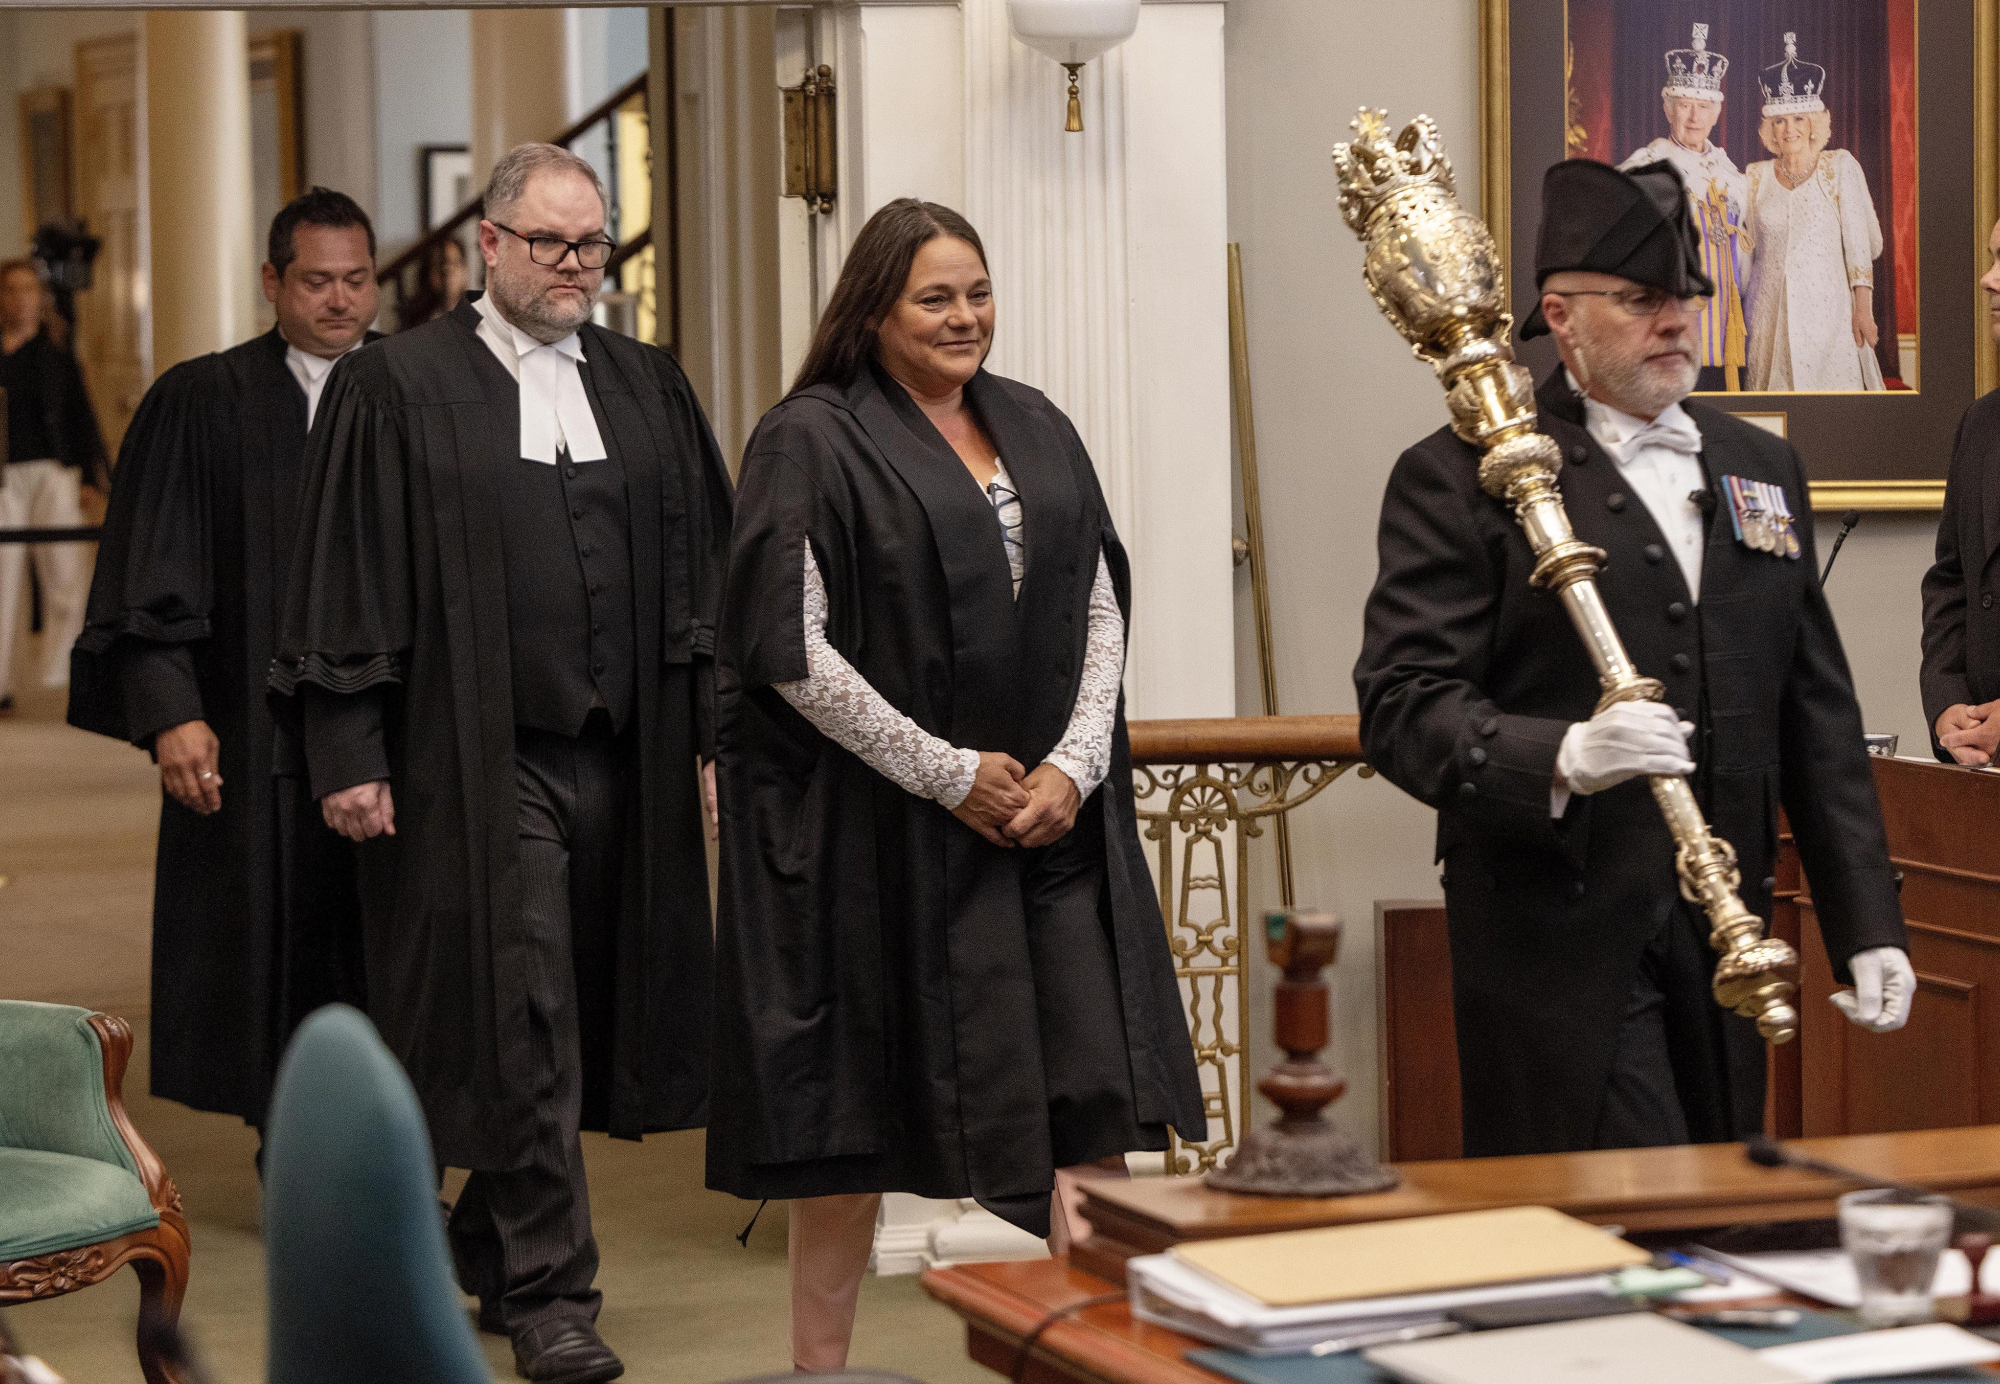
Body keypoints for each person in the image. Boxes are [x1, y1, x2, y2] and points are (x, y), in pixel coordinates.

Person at [706, 198, 1205, 1374]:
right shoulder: (811, 437)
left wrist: (1075, 768)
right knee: (852, 1129)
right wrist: (944, 774)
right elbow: (791, 648)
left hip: (1043, 837)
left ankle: (1096, 1361)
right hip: (879, 844)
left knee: (1089, 1104)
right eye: (934, 297)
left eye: (976, 291)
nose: (963, 316)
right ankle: (816, 1372)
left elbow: (1095, 602)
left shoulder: (1030, 420)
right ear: (873, 307)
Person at [272, 143, 732, 1384]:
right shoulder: (399, 384)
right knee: (521, 1008)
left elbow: (700, 578)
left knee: (583, 1005)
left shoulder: (643, 384)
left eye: (593, 245)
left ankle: (483, 1228)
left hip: (621, 762)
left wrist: (706, 740)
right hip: (471, 763)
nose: (577, 267)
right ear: (490, 245)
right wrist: (346, 749)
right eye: (551, 244)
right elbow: (345, 574)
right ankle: (550, 1296)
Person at [1354, 158, 1913, 1158]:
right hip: (1552, 938)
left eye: (1686, 300)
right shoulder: (1455, 476)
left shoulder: (1758, 465)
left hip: (1723, 928)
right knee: (1613, 1223)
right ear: (1558, 317)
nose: (1675, 323)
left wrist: (1865, 918)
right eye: (1642, 301)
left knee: (1719, 1214)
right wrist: (1564, 755)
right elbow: (1400, 708)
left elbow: (1813, 718)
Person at [69, 188, 380, 1139]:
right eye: (317, 281)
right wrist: (170, 708)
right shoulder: (205, 400)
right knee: (267, 936)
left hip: (395, 730)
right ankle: (288, 1141)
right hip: (250, 725)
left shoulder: (419, 392)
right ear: (271, 282)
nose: (340, 301)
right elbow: (150, 569)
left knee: (394, 939)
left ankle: (401, 1143)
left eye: (358, 280)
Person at [1743, 31, 1886, 392]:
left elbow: (1859, 246)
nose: (1788, 129)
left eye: (1798, 119)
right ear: (1770, 128)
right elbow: (1744, 249)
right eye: (1779, 121)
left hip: (1830, 315)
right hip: (1767, 315)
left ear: (1813, 124)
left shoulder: (1838, 167)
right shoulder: (1754, 176)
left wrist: (1863, 309)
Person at [0, 258, 108, 708]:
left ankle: (59, 674)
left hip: (54, 470)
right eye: (13, 290)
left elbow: (80, 414)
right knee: (1, 580)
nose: (23, 299)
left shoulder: (55, 354)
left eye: (30, 290)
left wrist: (89, 474)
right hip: (4, 474)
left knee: (66, 575)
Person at [1620, 22, 1751, 391]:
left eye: (1703, 106)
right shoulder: (1645, 167)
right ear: (1668, 108)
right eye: (1684, 106)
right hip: (1674, 312)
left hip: (1728, 317)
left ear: (1716, 113)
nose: (1694, 117)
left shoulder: (1732, 174)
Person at [1919, 218, 2000, 765]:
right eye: (1991, 258)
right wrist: (1947, 701)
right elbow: (1951, 581)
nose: (1987, 280)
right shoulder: (1980, 422)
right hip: (1979, 773)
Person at [397, 232, 469, 332]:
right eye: (441, 264)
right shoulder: (417, 322)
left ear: (465, 270)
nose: (448, 270)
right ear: (428, 273)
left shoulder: (476, 317)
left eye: (455, 263)